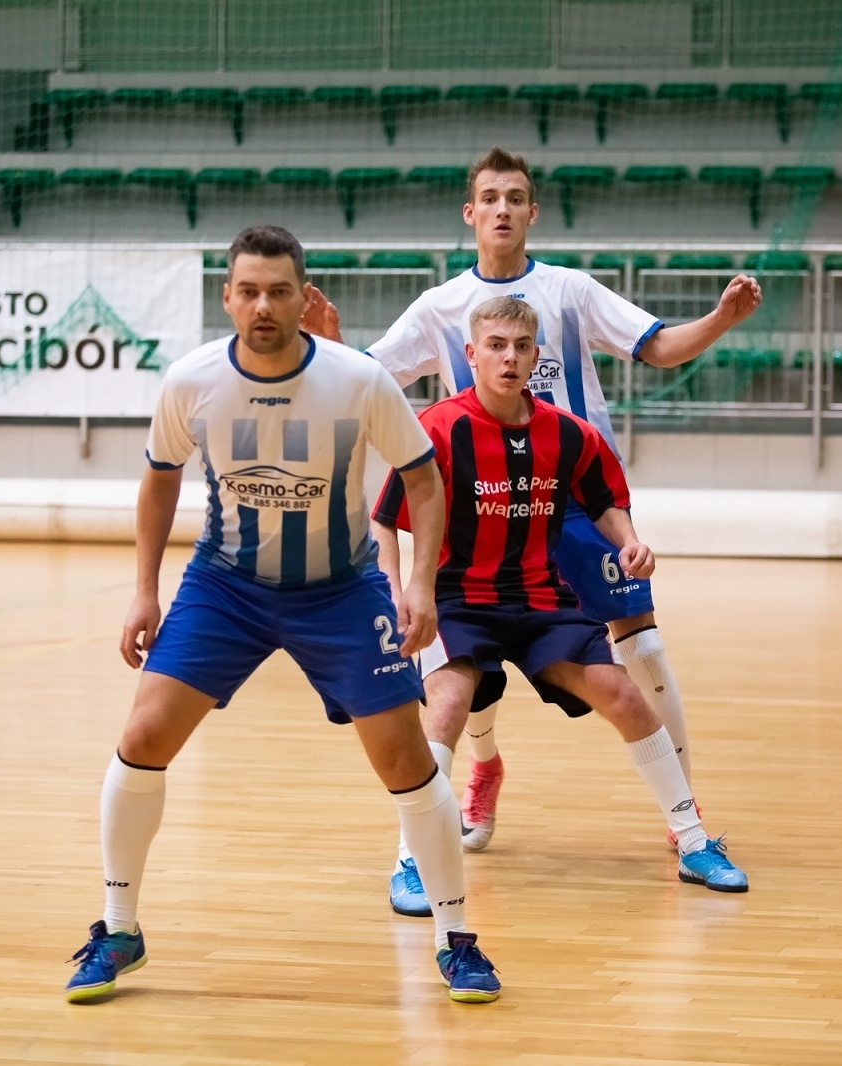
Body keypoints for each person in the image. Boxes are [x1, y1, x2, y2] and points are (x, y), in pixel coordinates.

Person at [63, 226, 500, 1005]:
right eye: (248, 291)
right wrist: (143, 588)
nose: (263, 306)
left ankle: (456, 938)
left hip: (340, 590)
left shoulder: (358, 379)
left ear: (306, 297)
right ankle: (119, 928)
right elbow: (159, 480)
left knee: (405, 760)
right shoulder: (192, 381)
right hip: (224, 587)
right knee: (141, 736)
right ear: (227, 297)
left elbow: (423, 481)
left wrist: (423, 586)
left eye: (279, 291)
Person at [317, 146, 762, 872]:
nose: (501, 209)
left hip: (576, 503)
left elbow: (656, 347)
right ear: (470, 213)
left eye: (514, 197)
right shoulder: (440, 308)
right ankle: (482, 770)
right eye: (488, 197)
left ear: (531, 212)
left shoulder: (571, 291)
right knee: (469, 662)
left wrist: (719, 319)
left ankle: (687, 813)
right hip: (482, 510)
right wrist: (333, 347)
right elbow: (367, 379)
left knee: (640, 652)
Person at [372, 295, 747, 906]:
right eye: (495, 346)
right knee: (444, 706)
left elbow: (605, 501)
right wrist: (400, 592)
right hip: (459, 599)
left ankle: (694, 839)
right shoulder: (437, 428)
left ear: (536, 356)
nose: (509, 358)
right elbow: (384, 519)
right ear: (471, 355)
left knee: (625, 693)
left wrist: (630, 543)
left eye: (521, 347)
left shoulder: (568, 433)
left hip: (541, 598)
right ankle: (410, 859)